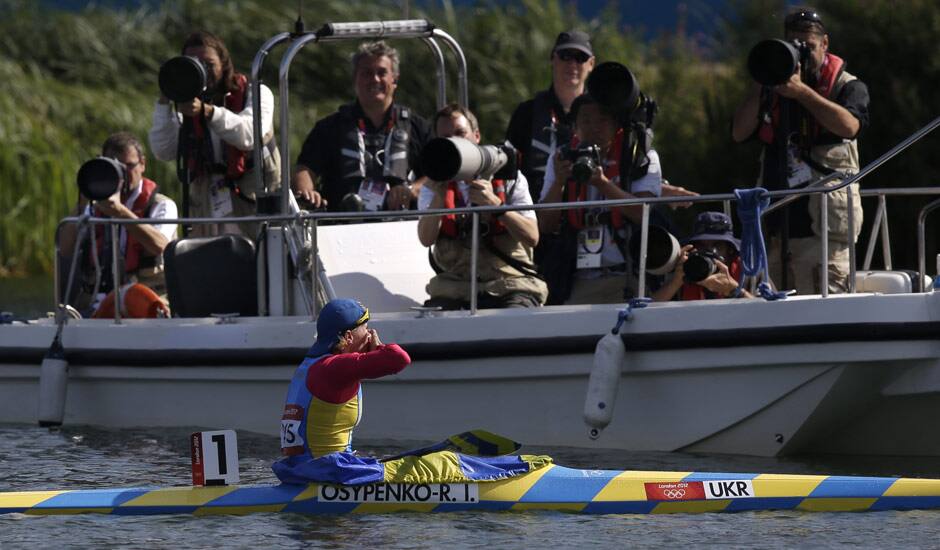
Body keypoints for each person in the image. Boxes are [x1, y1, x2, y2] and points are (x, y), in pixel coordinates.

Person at [732, 9, 868, 294]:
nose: (802, 54)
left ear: (825, 44)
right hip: (776, 231)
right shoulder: (772, 89)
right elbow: (739, 132)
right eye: (794, 46)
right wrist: (762, 79)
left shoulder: (847, 85)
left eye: (808, 46)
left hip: (823, 235)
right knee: (770, 318)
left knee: (824, 314)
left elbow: (850, 126)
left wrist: (802, 92)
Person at [149, 30, 279, 238]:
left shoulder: (255, 92)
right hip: (207, 207)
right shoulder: (185, 100)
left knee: (260, 264)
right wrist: (165, 99)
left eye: (208, 64)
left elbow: (250, 135)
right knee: (210, 265)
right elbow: (164, 150)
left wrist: (208, 112)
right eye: (194, 63)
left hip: (253, 203)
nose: (203, 70)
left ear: (224, 63)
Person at [417, 104, 548, 309]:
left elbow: (532, 236)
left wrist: (496, 206)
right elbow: (426, 239)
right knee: (433, 326)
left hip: (511, 284)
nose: (455, 141)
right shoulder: (434, 184)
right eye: (446, 137)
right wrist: (439, 198)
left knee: (516, 322)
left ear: (476, 136)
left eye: (461, 133)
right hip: (455, 287)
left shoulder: (509, 177)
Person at [538, 93, 664, 305]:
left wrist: (602, 183)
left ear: (616, 124)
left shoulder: (640, 156)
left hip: (626, 277)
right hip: (578, 280)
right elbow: (545, 225)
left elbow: (643, 214)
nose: (594, 127)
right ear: (575, 126)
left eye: (602, 119)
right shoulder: (560, 158)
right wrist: (559, 182)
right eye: (585, 120)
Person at [292, 41, 432, 213]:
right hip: (341, 228)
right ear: (355, 79)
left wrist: (412, 190)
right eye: (366, 73)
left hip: (403, 228)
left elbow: (439, 174)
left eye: (382, 73)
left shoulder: (418, 127)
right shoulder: (329, 128)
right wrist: (307, 194)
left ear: (394, 79)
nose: (374, 79)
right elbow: (305, 168)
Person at [275, 299, 410, 464]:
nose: (371, 335)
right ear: (348, 336)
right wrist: (380, 349)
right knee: (440, 464)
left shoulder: (310, 364)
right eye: (366, 328)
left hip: (298, 470)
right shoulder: (334, 369)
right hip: (331, 472)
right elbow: (399, 359)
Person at [61, 132, 178, 316]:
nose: (123, 174)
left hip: (149, 296)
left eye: (129, 167)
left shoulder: (161, 204)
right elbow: (65, 249)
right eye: (116, 168)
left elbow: (161, 245)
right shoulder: (93, 206)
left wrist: (120, 212)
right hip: (98, 298)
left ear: (143, 165)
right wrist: (83, 199)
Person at [505, 30, 595, 202]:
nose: (572, 64)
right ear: (552, 58)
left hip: (586, 214)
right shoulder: (527, 113)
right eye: (565, 56)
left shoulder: (601, 116)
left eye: (580, 58)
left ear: (591, 64)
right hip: (534, 215)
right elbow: (510, 171)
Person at [652, 212, 754, 301]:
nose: (709, 253)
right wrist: (675, 282)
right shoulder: (682, 271)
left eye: (717, 246)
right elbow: (647, 313)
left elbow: (767, 312)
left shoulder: (750, 272)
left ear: (730, 250)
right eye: (701, 246)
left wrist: (733, 290)